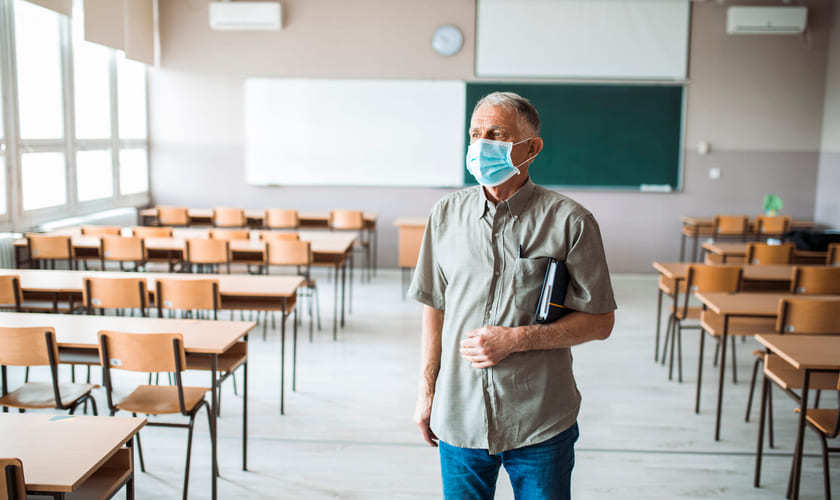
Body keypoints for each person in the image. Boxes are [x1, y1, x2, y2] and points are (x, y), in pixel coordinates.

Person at [408, 91, 617, 500]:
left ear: (531, 148)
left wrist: (517, 339)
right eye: (475, 134)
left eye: (496, 134)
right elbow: (434, 306)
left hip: (539, 419)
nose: (481, 145)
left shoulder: (570, 222)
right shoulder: (445, 215)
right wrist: (427, 393)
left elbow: (600, 321)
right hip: (459, 415)